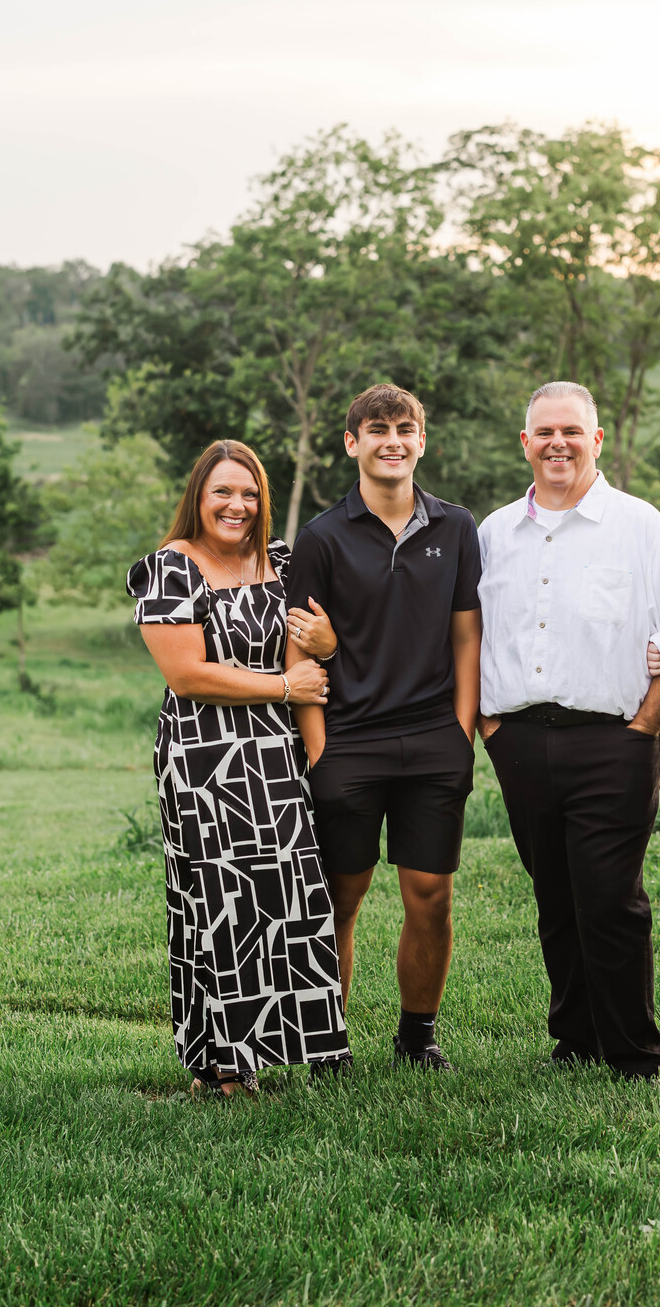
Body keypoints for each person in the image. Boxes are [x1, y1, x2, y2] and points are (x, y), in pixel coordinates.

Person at [478, 381, 660, 1081]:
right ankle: (573, 1040)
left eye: (572, 431)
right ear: (525, 443)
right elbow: (470, 635)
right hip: (518, 740)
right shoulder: (492, 535)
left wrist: (643, 728)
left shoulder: (639, 527)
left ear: (596, 440)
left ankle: (635, 1054)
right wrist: (490, 726)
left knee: (610, 897)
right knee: (554, 894)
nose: (558, 443)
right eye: (544, 432)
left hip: (615, 740)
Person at [126, 440, 350, 1096]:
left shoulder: (281, 560)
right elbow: (187, 674)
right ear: (198, 496)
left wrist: (323, 666)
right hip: (203, 760)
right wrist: (285, 690)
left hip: (275, 759)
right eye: (223, 491)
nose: (237, 505)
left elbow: (309, 652)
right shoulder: (168, 569)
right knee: (218, 903)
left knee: (285, 899)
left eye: (249, 493)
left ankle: (286, 1046)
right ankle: (221, 1062)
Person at [284, 385, 482, 1071]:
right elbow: (299, 651)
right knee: (342, 895)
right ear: (352, 443)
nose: (392, 440)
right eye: (377, 429)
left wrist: (460, 735)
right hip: (349, 744)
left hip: (433, 741)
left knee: (430, 896)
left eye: (405, 428)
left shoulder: (456, 528)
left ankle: (416, 1036)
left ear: (422, 441)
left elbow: (467, 637)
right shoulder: (320, 538)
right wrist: (319, 750)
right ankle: (326, 1042)